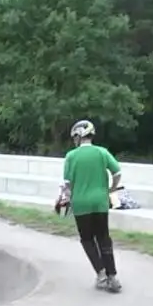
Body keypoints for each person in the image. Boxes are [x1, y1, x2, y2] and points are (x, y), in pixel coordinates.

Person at [55, 119, 123, 293]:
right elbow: (117, 172)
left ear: (79, 135)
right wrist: (112, 188)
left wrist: (64, 199)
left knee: (87, 239)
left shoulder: (71, 156)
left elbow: (67, 185)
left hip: (81, 204)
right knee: (103, 238)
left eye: (75, 137)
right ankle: (112, 276)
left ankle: (101, 275)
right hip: (100, 202)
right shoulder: (102, 152)